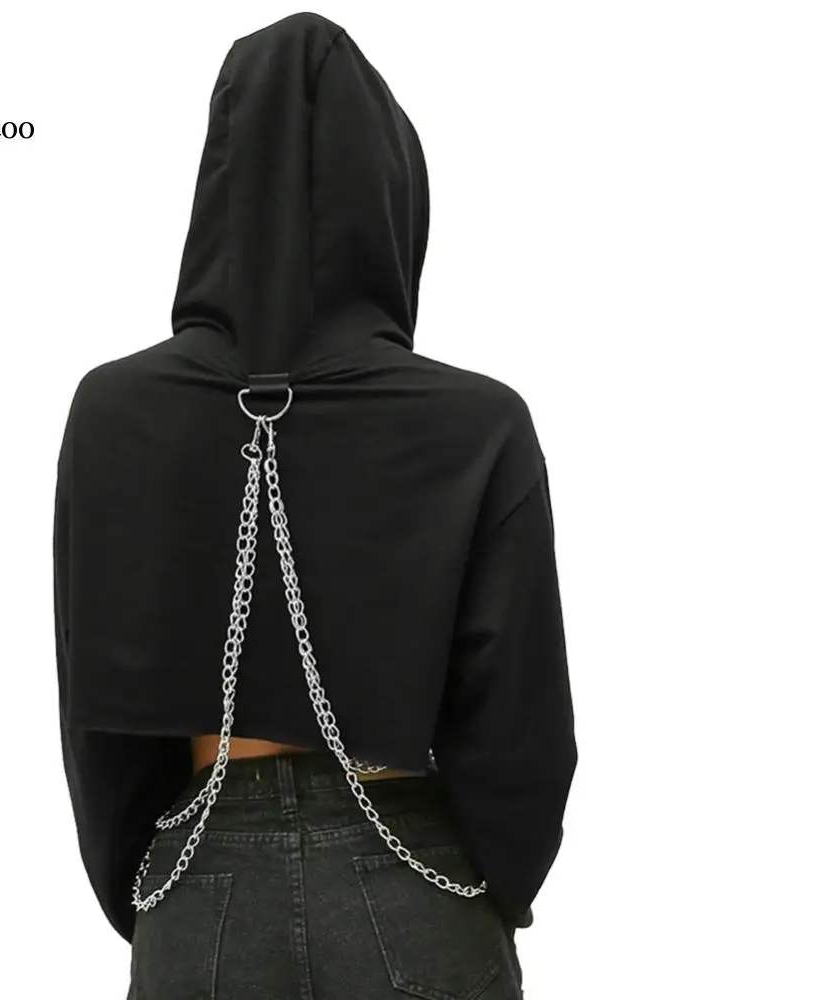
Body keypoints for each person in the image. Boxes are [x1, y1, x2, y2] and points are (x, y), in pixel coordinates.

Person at [53, 12, 577, 999]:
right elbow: (522, 723)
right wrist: (491, 886)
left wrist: (157, 890)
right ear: (389, 194)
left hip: (198, 877)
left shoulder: (114, 411)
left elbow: (94, 714)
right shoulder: (475, 422)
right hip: (413, 872)